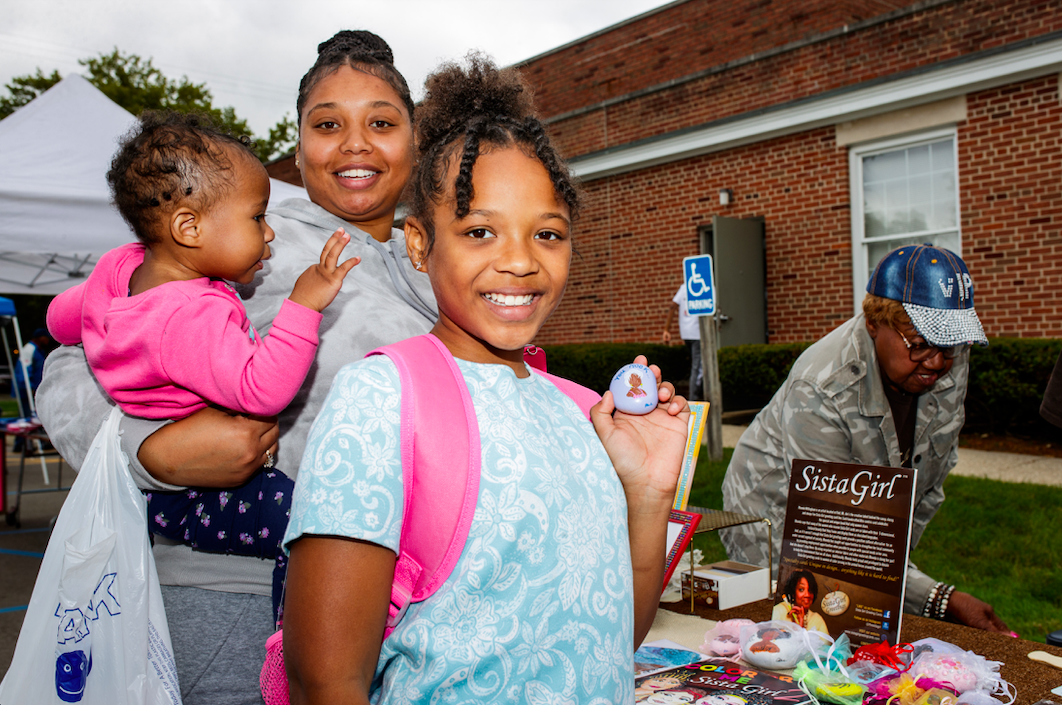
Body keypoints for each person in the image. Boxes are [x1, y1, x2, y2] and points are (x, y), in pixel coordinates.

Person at [36, 30, 436, 704]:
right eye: (328, 123)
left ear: (414, 137)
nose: (356, 143)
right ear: (300, 137)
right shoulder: (243, 227)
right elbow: (75, 359)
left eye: (382, 122)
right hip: (230, 593)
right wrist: (152, 449)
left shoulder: (441, 259)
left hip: (401, 611)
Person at [281, 54, 691, 704]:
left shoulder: (585, 413)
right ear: (419, 244)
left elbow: (611, 638)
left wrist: (645, 494)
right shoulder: (383, 399)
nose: (521, 261)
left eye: (548, 234)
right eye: (479, 231)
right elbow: (323, 678)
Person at [45, 111, 358, 620]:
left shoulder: (121, 269)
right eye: (257, 217)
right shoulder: (193, 317)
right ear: (188, 228)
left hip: (161, 496)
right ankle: (293, 644)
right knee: (311, 529)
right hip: (202, 494)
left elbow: (63, 319)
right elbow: (262, 390)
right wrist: (302, 306)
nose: (270, 233)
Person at [721, 244, 1010, 633]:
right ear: (875, 323)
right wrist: (937, 597)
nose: (939, 362)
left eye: (950, 343)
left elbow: (926, 482)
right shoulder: (821, 387)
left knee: (868, 621)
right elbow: (837, 534)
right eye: (921, 343)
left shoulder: (942, 360)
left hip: (850, 525)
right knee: (800, 633)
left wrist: (896, 577)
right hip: (771, 514)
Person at [663, 282, 703, 401]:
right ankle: (693, 400)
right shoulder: (706, 287)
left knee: (697, 366)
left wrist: (666, 329)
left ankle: (696, 396)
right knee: (698, 368)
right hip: (698, 333)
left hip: (686, 333)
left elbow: (672, 306)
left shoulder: (684, 288)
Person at [772, 569, 828, 635]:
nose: (807, 595)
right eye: (801, 589)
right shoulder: (779, 611)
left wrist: (800, 629)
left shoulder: (817, 619)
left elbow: (827, 645)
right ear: (793, 592)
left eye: (810, 590)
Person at [11, 327, 53, 417]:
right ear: (39, 337)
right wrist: (29, 387)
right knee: (27, 413)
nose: (47, 339)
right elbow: (24, 371)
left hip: (34, 388)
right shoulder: (29, 349)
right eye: (45, 337)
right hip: (27, 389)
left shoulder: (38, 350)